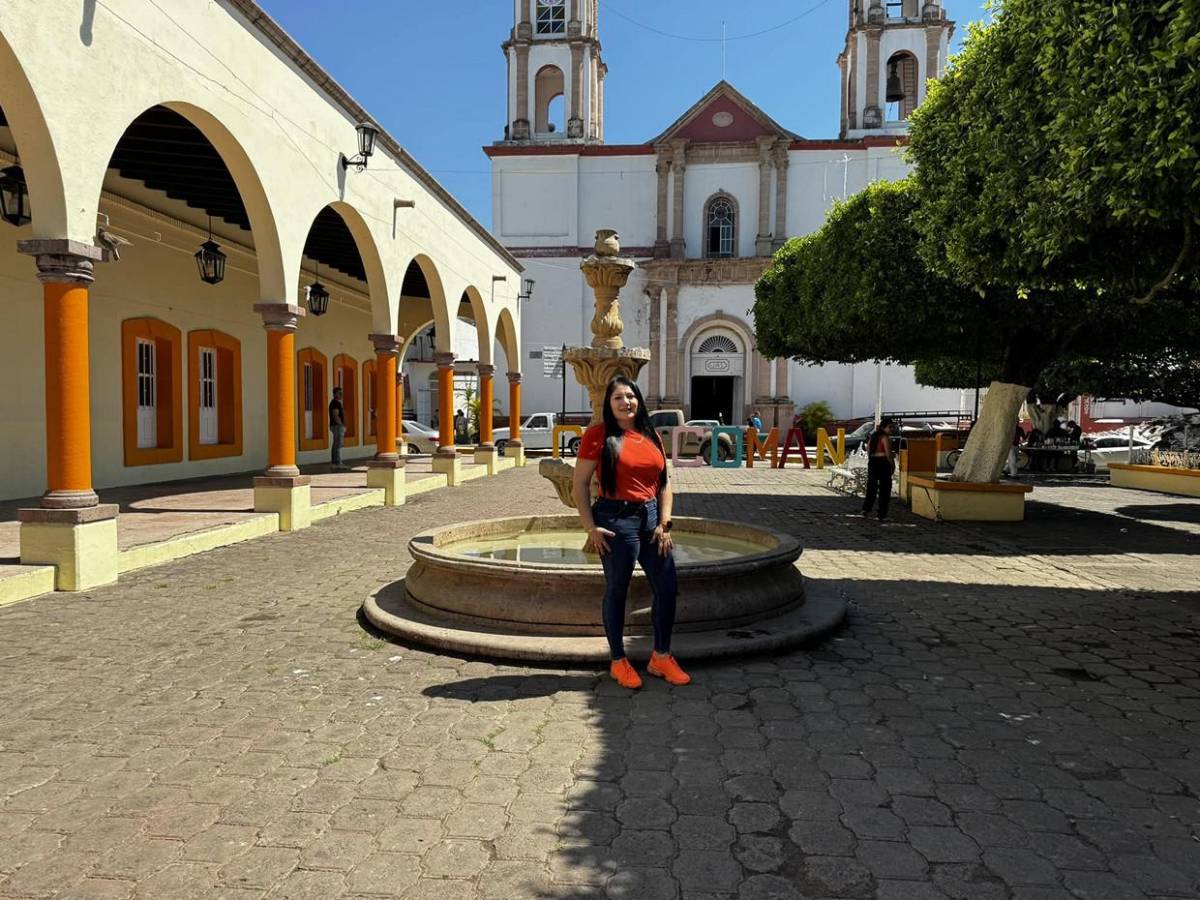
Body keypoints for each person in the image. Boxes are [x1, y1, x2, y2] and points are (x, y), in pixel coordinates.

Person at [573, 376, 689, 690]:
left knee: (667, 587)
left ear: (639, 399)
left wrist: (664, 523)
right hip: (615, 519)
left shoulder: (651, 435)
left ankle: (661, 657)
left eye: (631, 396)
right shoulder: (598, 435)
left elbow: (665, 483)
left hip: (651, 519)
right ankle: (618, 661)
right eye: (618, 398)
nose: (626, 402)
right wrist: (589, 526)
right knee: (618, 590)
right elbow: (579, 484)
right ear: (609, 405)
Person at [862, 418, 896, 521]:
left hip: (873, 462)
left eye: (892, 427)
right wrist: (892, 465)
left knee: (871, 487)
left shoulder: (873, 437)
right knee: (885, 489)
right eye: (889, 427)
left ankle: (866, 509)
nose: (891, 429)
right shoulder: (885, 438)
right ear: (883, 427)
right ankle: (881, 514)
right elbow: (888, 454)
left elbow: (868, 450)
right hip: (883, 463)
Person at [329, 387, 347, 469]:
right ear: (335, 394)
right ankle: (337, 462)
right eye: (339, 393)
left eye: (341, 393)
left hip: (336, 426)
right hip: (337, 426)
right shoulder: (335, 403)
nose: (341, 395)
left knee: (336, 444)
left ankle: (335, 462)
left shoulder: (337, 403)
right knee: (338, 444)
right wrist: (341, 425)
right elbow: (335, 415)